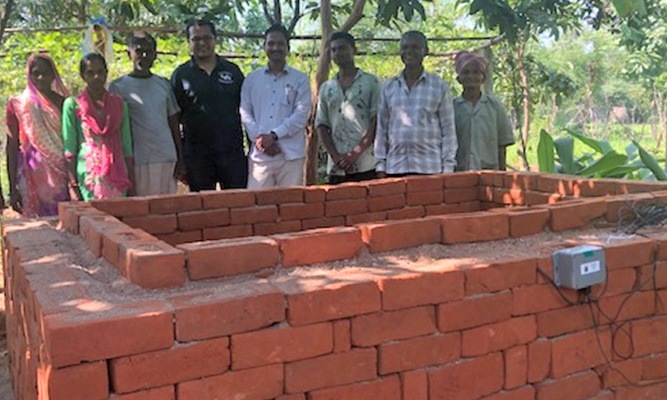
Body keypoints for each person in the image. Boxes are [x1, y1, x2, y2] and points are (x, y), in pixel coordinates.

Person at [171, 19, 247, 191]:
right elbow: (174, 118)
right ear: (188, 42)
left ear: (215, 39)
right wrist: (180, 160)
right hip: (197, 157)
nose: (202, 43)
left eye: (207, 38)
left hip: (232, 153)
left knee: (237, 207)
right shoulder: (181, 75)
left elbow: (247, 111)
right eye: (196, 39)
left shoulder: (232, 71)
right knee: (203, 211)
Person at [110, 32, 185, 196]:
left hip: (165, 156)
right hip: (137, 160)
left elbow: (173, 122)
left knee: (165, 209)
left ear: (155, 55)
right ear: (129, 53)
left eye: (149, 51)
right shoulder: (118, 87)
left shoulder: (163, 84)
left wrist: (180, 158)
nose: (144, 56)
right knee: (140, 210)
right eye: (139, 51)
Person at [375, 30, 457, 177]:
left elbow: (448, 131)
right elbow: (382, 129)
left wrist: (448, 168)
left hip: (430, 167)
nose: (409, 52)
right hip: (395, 167)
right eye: (405, 47)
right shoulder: (388, 87)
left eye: (415, 47)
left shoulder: (439, 86)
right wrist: (380, 166)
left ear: (425, 51)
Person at [240, 24, 311, 188]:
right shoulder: (252, 79)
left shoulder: (300, 80)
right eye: (271, 43)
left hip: (291, 156)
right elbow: (245, 113)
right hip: (260, 158)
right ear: (264, 46)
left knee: (290, 207)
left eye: (280, 44)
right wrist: (262, 141)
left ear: (288, 48)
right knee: (258, 208)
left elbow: (301, 115)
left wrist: (273, 136)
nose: (275, 48)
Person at [62, 53, 134, 201]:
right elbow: (70, 149)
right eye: (90, 73)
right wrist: (73, 184)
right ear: (83, 76)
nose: (96, 77)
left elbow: (126, 147)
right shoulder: (73, 105)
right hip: (89, 174)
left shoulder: (119, 105)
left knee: (118, 220)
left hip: (117, 174)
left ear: (106, 73)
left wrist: (132, 182)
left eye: (100, 72)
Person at [5, 54, 70, 216]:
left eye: (46, 73)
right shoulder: (19, 105)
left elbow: (72, 142)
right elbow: (11, 146)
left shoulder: (64, 103)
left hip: (61, 174)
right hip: (31, 175)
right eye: (36, 73)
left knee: (63, 222)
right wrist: (13, 187)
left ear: (53, 75)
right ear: (29, 75)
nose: (41, 78)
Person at [316, 32, 380, 184]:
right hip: (336, 167)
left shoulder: (371, 82)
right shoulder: (326, 88)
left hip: (366, 164)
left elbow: (376, 121)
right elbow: (321, 124)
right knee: (336, 207)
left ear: (354, 50)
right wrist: (336, 157)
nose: (338, 53)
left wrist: (354, 154)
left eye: (343, 48)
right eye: (334, 50)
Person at [453, 51, 514, 171]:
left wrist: (502, 175)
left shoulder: (494, 106)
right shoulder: (452, 107)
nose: (471, 76)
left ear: (483, 78)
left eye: (476, 72)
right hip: (460, 173)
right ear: (459, 78)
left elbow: (502, 144)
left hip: (489, 172)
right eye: (466, 72)